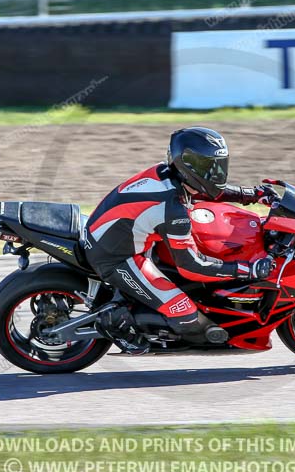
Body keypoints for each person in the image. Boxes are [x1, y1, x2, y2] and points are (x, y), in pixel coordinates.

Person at [83, 127, 277, 354]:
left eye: (219, 165)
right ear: (189, 165)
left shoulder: (169, 174)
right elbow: (192, 266)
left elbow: (208, 191)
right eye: (209, 166)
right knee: (184, 312)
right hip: (117, 256)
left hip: (125, 237)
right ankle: (113, 321)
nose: (216, 172)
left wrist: (250, 194)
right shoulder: (173, 210)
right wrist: (246, 269)